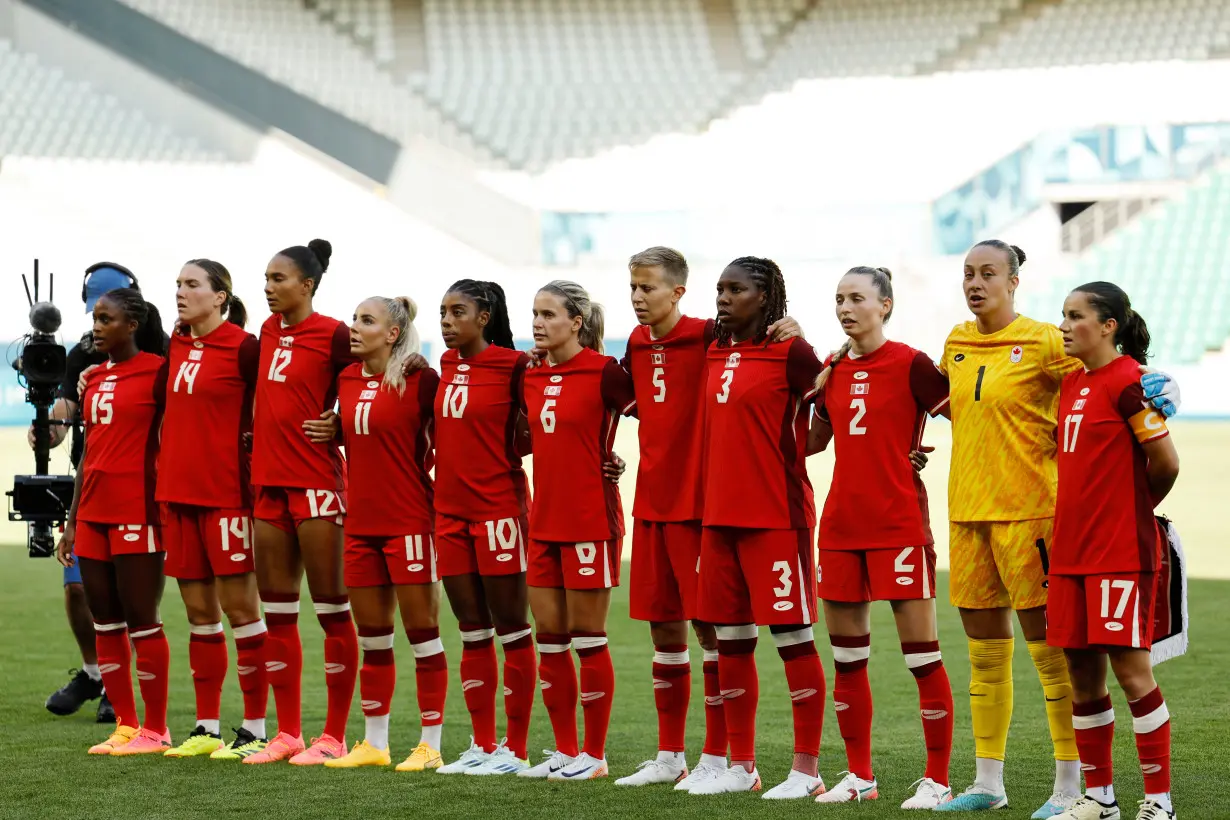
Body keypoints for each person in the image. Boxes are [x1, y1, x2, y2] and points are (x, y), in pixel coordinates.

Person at [934, 241, 1181, 816]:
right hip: (968, 513)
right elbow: (943, 397)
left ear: (1014, 281)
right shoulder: (956, 341)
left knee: (1059, 656)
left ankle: (1074, 787)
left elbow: (1120, 377)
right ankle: (990, 784)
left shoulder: (1048, 341)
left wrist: (1157, 382)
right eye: (967, 273)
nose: (975, 283)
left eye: (988, 273)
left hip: (1038, 518)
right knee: (989, 653)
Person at [612, 247, 801, 791]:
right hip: (651, 501)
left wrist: (792, 326)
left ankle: (719, 756)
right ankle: (670, 754)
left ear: (677, 291)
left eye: (648, 288)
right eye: (633, 288)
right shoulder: (635, 343)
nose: (638, 297)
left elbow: (769, 351)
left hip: (701, 506)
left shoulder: (709, 336)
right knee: (663, 631)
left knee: (713, 632)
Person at [806, 267, 955, 809]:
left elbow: (971, 419)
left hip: (898, 526)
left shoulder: (913, 363)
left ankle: (937, 780)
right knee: (847, 658)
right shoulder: (832, 369)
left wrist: (912, 455)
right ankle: (859, 776)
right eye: (839, 299)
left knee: (922, 658)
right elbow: (811, 442)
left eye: (857, 299)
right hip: (841, 527)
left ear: (885, 305)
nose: (845, 308)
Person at [692, 257, 828, 799]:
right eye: (720, 288)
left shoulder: (790, 351)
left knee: (792, 638)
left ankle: (807, 769)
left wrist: (808, 443)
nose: (724, 297)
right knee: (730, 641)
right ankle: (742, 766)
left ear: (766, 296)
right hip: (718, 517)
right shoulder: (714, 347)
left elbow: (832, 399)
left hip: (776, 517)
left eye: (736, 289)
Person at [1047, 283, 1179, 820]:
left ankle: (1159, 802)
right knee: (1082, 677)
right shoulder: (1073, 385)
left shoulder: (1130, 384)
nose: (1063, 325)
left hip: (1120, 553)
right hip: (1070, 554)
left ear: (1108, 326)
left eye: (1075, 316)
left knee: (1132, 673)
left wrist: (1132, 511)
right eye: (1062, 315)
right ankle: (1100, 798)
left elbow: (1165, 462)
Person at [315, 296, 448, 771]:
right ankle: (375, 744)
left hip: (410, 521)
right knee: (373, 637)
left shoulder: (420, 378)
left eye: (366, 321)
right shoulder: (346, 380)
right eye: (354, 318)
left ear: (393, 334)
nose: (354, 327)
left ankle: (430, 744)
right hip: (361, 526)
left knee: (424, 637)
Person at [242, 239, 360, 765]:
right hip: (267, 486)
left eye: (279, 278)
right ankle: (287, 732)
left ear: (307, 284)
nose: (268, 288)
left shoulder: (335, 333)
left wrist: (340, 420)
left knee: (332, 611)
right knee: (279, 614)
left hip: (317, 483)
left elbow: (371, 376)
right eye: (266, 278)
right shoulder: (267, 331)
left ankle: (333, 736)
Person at [517, 280, 636, 782]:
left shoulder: (606, 372)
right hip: (543, 523)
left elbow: (659, 413)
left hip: (592, 520)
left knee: (589, 638)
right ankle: (566, 750)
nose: (538, 323)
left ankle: (595, 754)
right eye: (535, 314)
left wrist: (619, 460)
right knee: (550, 639)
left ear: (576, 322)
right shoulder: (528, 373)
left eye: (548, 314)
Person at [41, 263, 164, 724]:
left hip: (141, 499)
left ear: (132, 319)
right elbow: (72, 416)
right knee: (85, 599)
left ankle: (140, 712)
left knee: (138, 608)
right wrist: (51, 427)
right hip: (90, 494)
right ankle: (99, 679)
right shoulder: (84, 364)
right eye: (94, 316)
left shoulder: (160, 363)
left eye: (104, 316)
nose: (96, 325)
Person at [157, 260, 270, 760]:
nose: (181, 292)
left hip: (226, 497)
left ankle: (255, 726)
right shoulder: (175, 344)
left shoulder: (246, 349)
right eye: (179, 284)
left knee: (242, 611)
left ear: (221, 296)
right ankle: (206, 727)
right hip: (177, 497)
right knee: (199, 616)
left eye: (192, 285)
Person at [432, 280, 538, 776]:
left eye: (458, 312)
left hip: (499, 512)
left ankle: (515, 750)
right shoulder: (445, 365)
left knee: (513, 629)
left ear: (485, 315)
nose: (448, 320)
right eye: (443, 312)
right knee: (472, 631)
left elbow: (547, 426)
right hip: (449, 515)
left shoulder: (514, 366)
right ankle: (481, 745)